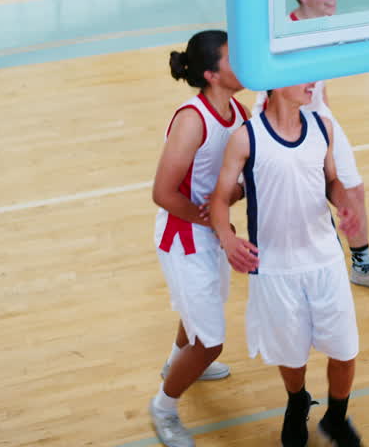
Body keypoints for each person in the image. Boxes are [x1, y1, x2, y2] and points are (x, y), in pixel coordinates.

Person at [209, 82, 365, 447]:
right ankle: (297, 403)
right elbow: (219, 199)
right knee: (291, 356)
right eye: (304, 78)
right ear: (276, 85)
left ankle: (336, 418)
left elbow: (331, 181)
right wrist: (228, 240)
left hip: (325, 261)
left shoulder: (321, 127)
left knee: (344, 351)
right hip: (275, 268)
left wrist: (344, 204)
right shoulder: (246, 138)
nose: (314, 84)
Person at [251, 0, 369, 294]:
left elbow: (320, 84)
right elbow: (266, 97)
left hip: (320, 117)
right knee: (280, 197)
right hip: (282, 122)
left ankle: (362, 267)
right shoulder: (283, 38)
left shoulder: (327, 25)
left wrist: (327, 117)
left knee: (353, 192)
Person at [149, 30, 248, 447]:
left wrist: (230, 201)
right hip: (183, 236)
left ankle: (176, 363)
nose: (243, 61)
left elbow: (234, 183)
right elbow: (163, 193)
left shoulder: (238, 111)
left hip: (210, 231)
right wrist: (212, 220)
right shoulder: (192, 119)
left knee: (200, 313)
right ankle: (164, 408)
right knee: (210, 343)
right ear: (211, 74)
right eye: (232, 57)